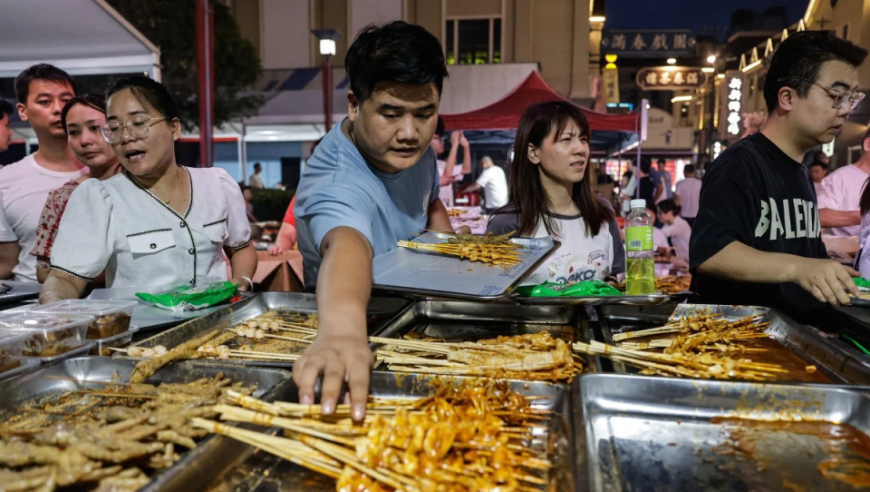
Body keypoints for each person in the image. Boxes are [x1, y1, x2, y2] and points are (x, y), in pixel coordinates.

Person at [292, 21, 458, 421]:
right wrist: (343, 331)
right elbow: (347, 243)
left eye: (425, 113)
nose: (409, 133)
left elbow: (430, 201)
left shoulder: (417, 152)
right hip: (354, 328)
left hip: (417, 315)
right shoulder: (336, 177)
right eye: (391, 113)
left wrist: (456, 258)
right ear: (354, 104)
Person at [690, 30, 865, 320]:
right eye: (836, 95)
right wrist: (799, 268)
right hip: (744, 345)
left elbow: (799, 251)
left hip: (799, 338)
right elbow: (711, 253)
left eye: (851, 98)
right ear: (787, 97)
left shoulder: (801, 172)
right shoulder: (741, 164)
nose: (846, 110)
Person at [39, 75, 257, 303]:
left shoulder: (216, 184)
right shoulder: (101, 198)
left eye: (139, 123)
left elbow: (242, 247)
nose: (125, 137)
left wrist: (242, 281)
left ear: (174, 128)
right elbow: (65, 278)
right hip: (143, 334)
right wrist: (53, 310)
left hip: (217, 328)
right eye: (114, 128)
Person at [486, 101, 624, 285]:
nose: (580, 149)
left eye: (583, 139)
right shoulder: (507, 224)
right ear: (533, 152)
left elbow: (613, 277)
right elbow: (489, 296)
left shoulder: (601, 213)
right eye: (566, 140)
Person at [0, 64, 85, 283]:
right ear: (23, 111)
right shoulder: (6, 181)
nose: (58, 109)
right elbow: (7, 260)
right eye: (45, 102)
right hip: (31, 303)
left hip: (103, 300)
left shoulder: (108, 171)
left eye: (66, 100)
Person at [30, 95, 123, 283]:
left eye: (95, 128)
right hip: (85, 306)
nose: (85, 140)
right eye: (73, 132)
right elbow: (43, 270)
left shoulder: (146, 185)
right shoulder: (63, 197)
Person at [818, 127, 870, 237]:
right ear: (868, 144)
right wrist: (864, 216)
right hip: (846, 252)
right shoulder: (838, 179)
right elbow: (819, 216)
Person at [430, 117, 471, 207]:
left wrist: (466, 146)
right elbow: (447, 175)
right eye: (439, 139)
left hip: (447, 209)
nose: (443, 142)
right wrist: (455, 145)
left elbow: (466, 169)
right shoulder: (422, 165)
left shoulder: (442, 164)